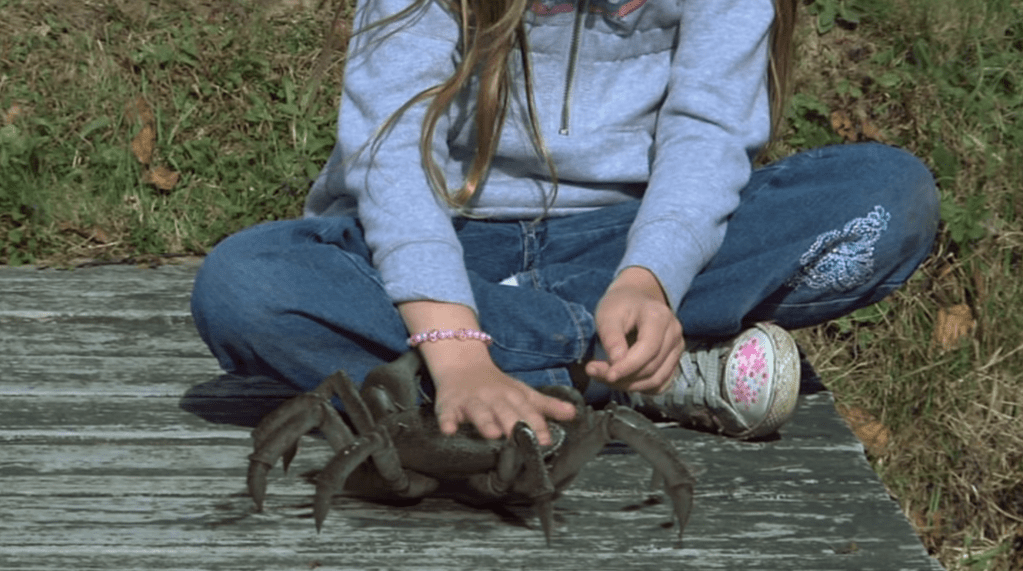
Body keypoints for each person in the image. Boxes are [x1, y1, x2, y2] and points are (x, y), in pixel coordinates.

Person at [190, 0, 939, 446]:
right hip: (448, 249)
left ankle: (547, 362)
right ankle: (630, 374)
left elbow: (707, 135)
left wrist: (649, 280)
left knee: (884, 196)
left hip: (623, 245)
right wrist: (454, 346)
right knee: (246, 285)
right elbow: (392, 154)